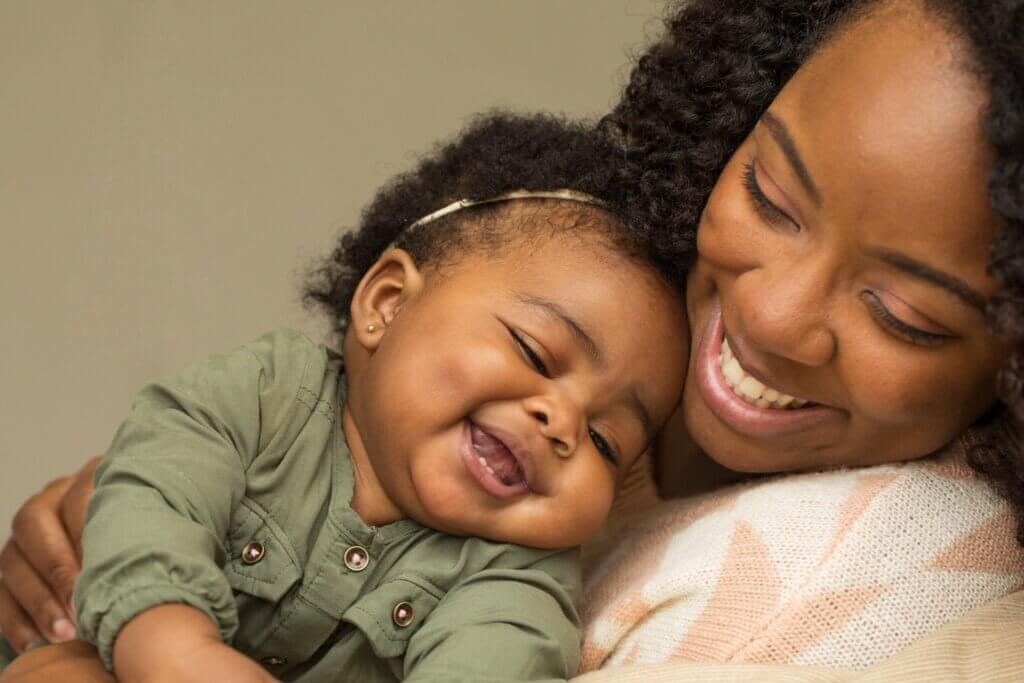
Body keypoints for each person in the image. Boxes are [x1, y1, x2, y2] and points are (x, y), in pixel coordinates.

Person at [4, 0, 1024, 679]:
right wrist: (127, 546)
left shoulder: (917, 557)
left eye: (905, 314)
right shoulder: (605, 299)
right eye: (767, 191)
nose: (769, 313)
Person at [0, 112, 691, 682]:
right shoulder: (266, 395)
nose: (563, 421)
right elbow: (154, 497)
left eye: (607, 441)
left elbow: (499, 661)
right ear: (386, 304)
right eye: (537, 352)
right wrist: (176, 651)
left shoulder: (519, 574)